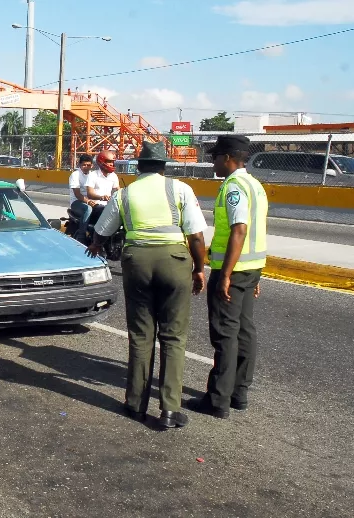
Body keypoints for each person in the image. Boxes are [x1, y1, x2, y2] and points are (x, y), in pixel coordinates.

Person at [89, 142, 207, 429]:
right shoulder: (180, 189)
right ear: (164, 166)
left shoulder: (125, 193)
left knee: (141, 335)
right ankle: (169, 409)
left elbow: (102, 229)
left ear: (139, 166)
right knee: (173, 337)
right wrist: (199, 269)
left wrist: (96, 245)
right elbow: (196, 235)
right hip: (174, 262)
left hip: (137, 262)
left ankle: (135, 404)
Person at [188, 135, 267, 420]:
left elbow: (240, 230)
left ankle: (217, 399)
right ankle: (239, 393)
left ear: (229, 158)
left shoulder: (233, 186)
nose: (213, 162)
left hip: (233, 270)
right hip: (252, 267)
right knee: (245, 331)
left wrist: (226, 276)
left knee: (226, 334)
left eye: (215, 157)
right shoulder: (255, 185)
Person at [86, 150, 120, 227]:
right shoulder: (93, 175)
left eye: (112, 162)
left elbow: (118, 190)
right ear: (101, 162)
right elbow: (90, 194)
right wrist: (101, 197)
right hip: (96, 205)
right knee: (102, 210)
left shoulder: (113, 176)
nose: (111, 164)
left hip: (109, 205)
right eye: (109, 161)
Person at [68, 154, 97, 240]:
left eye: (88, 165)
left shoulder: (93, 175)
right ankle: (81, 234)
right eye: (84, 165)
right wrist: (88, 202)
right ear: (79, 165)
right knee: (88, 209)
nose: (86, 167)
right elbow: (77, 194)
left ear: (92, 165)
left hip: (91, 201)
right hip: (77, 202)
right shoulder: (75, 175)